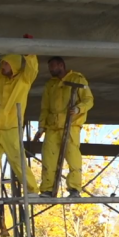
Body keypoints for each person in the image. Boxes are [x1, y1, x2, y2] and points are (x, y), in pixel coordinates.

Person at [0, 35, 40, 199]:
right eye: (2, 62)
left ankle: (32, 190)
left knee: (17, 160)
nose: (2, 65)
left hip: (11, 126)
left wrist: (28, 49)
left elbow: (33, 67)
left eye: (5, 63)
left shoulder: (25, 78)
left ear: (13, 64)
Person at [35, 56, 94, 198]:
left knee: (73, 157)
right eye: (50, 68)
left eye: (53, 67)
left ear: (61, 65)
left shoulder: (77, 79)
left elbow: (88, 100)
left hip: (70, 125)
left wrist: (78, 109)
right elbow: (45, 107)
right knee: (48, 158)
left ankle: (74, 189)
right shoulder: (50, 84)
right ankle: (48, 190)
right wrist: (41, 127)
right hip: (52, 127)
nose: (50, 70)